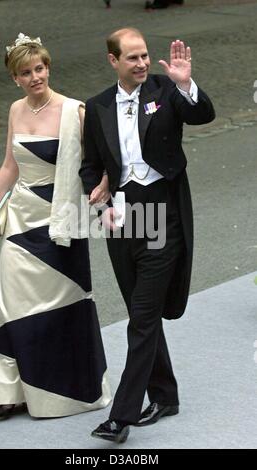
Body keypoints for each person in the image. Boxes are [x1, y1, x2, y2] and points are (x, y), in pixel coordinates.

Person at [79, 28, 215, 443]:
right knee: (143, 313)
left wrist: (186, 83)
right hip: (123, 221)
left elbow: (202, 115)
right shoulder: (98, 105)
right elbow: (90, 164)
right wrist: (97, 196)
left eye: (144, 56)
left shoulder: (166, 88)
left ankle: (121, 417)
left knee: (140, 318)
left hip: (164, 217)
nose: (141, 64)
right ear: (113, 60)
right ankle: (165, 395)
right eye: (132, 58)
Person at [0, 33, 111, 419]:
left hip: (63, 218)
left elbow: (100, 161)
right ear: (15, 78)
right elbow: (10, 163)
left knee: (62, 305)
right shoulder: (14, 110)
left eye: (39, 68)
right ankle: (9, 392)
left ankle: (67, 391)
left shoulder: (76, 111)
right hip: (21, 216)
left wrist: (103, 187)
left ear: (48, 67)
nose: (35, 76)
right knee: (9, 302)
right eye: (26, 72)